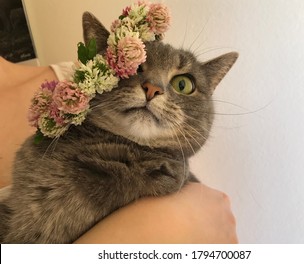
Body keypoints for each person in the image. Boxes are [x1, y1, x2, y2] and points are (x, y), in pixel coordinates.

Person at [0, 56, 238, 243]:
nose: (152, 89)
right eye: (137, 70)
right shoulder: (71, 104)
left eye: (182, 84)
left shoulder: (72, 83)